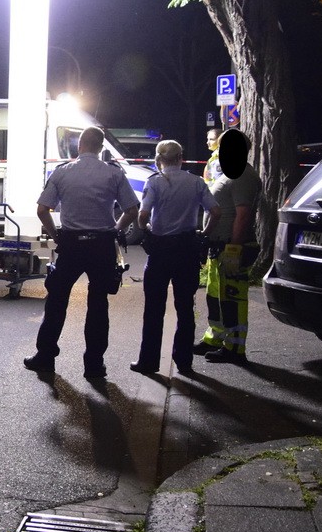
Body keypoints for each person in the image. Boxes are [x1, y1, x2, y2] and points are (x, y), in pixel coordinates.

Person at [24, 127, 139, 380]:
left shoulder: (63, 172)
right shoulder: (113, 173)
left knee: (56, 300)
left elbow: (43, 209)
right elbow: (132, 208)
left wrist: (56, 236)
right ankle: (94, 365)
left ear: (80, 146)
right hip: (101, 246)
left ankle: (45, 357)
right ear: (100, 148)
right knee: (98, 304)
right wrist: (115, 228)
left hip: (71, 245)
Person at [131, 140, 220, 376]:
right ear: (181, 157)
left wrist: (147, 229)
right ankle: (184, 362)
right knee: (185, 307)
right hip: (186, 249)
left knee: (153, 308)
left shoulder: (156, 183)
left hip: (160, 250)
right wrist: (204, 235)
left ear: (159, 159)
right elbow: (216, 211)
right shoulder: (196, 182)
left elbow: (142, 215)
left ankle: (148, 361)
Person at [193, 131, 262, 363]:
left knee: (232, 299)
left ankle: (235, 349)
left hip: (231, 248)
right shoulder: (230, 173)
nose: (219, 151)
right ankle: (215, 338)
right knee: (216, 296)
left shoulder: (243, 175)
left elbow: (242, 216)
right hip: (218, 247)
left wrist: (233, 249)